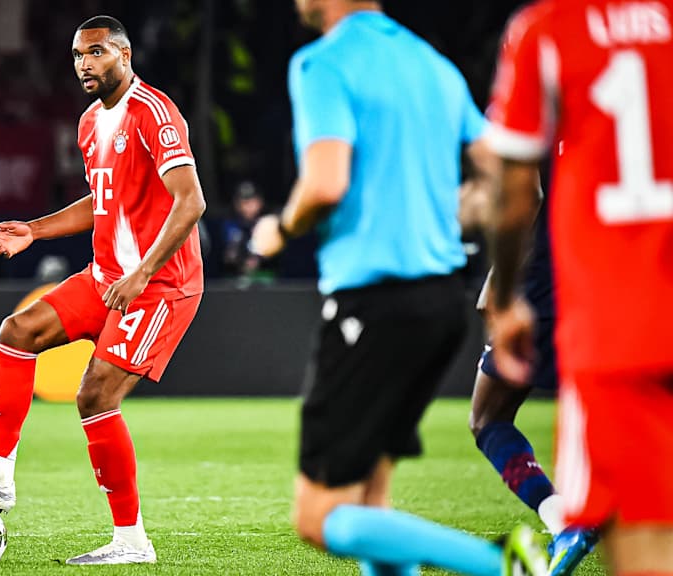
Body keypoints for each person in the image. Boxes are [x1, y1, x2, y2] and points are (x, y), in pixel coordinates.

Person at [250, 1, 547, 574]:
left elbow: (325, 183)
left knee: (318, 517)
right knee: (371, 504)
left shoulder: (322, 64)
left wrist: (278, 230)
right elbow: (518, 185)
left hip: (373, 307)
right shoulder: (432, 65)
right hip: (440, 308)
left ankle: (500, 565)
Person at [0, 15, 206, 565]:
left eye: (97, 53)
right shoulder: (87, 123)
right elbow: (100, 202)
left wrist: (143, 273)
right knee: (18, 330)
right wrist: (35, 229)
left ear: (124, 56)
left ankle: (131, 542)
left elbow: (191, 201)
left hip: (161, 286)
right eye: (79, 55)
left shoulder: (154, 112)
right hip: (107, 276)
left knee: (95, 394)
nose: (85, 63)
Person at [485, 1, 673, 574]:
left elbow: (518, 191)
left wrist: (504, 293)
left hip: (613, 316)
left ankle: (565, 519)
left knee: (488, 418)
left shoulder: (548, 31)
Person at [470, 174, 597, 576]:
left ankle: (563, 521)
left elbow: (527, 191)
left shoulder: (533, 111)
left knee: (488, 416)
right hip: (609, 274)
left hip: (542, 281)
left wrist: (499, 281)